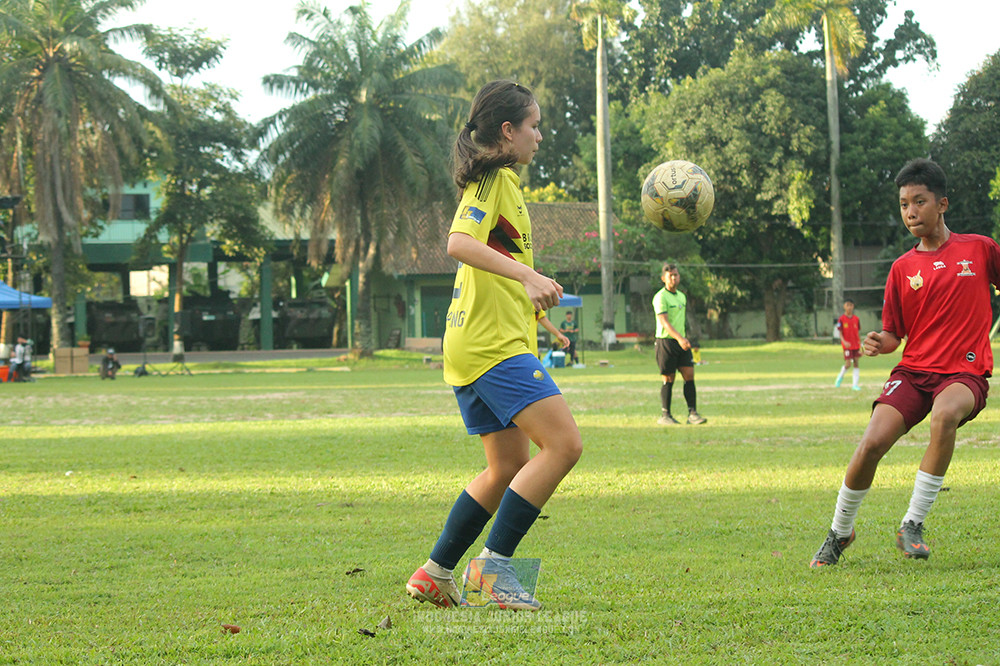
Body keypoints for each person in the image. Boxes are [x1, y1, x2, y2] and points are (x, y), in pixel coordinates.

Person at [406, 80, 582, 611]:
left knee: (506, 466)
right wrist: (528, 275)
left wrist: (534, 305)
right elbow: (459, 244)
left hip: (475, 343)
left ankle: (435, 572)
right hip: (491, 347)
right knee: (565, 445)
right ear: (507, 132)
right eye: (533, 126)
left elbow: (490, 260)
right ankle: (495, 574)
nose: (540, 136)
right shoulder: (495, 176)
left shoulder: (504, 185)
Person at [810, 158, 1000, 568]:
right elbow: (897, 334)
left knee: (945, 414)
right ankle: (840, 532)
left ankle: (912, 523)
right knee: (871, 444)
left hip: (964, 373)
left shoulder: (979, 249)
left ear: (942, 204)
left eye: (919, 201)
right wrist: (881, 341)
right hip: (914, 372)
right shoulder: (901, 268)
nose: (911, 212)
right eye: (903, 204)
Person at [653, 263, 706, 425]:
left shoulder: (681, 296)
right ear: (663, 278)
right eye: (670, 276)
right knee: (668, 378)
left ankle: (693, 414)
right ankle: (665, 415)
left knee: (689, 375)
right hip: (666, 342)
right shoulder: (660, 297)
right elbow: (665, 322)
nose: (674, 278)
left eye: (676, 275)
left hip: (681, 342)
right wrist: (680, 338)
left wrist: (684, 338)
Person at [834, 299, 862, 390]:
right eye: (847, 305)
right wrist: (844, 341)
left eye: (851, 305)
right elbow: (840, 332)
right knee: (848, 364)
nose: (849, 307)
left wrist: (860, 344)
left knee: (856, 362)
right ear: (844, 306)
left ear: (853, 306)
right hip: (847, 346)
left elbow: (857, 332)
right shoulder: (841, 319)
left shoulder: (856, 319)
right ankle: (840, 377)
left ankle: (855, 385)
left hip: (856, 345)